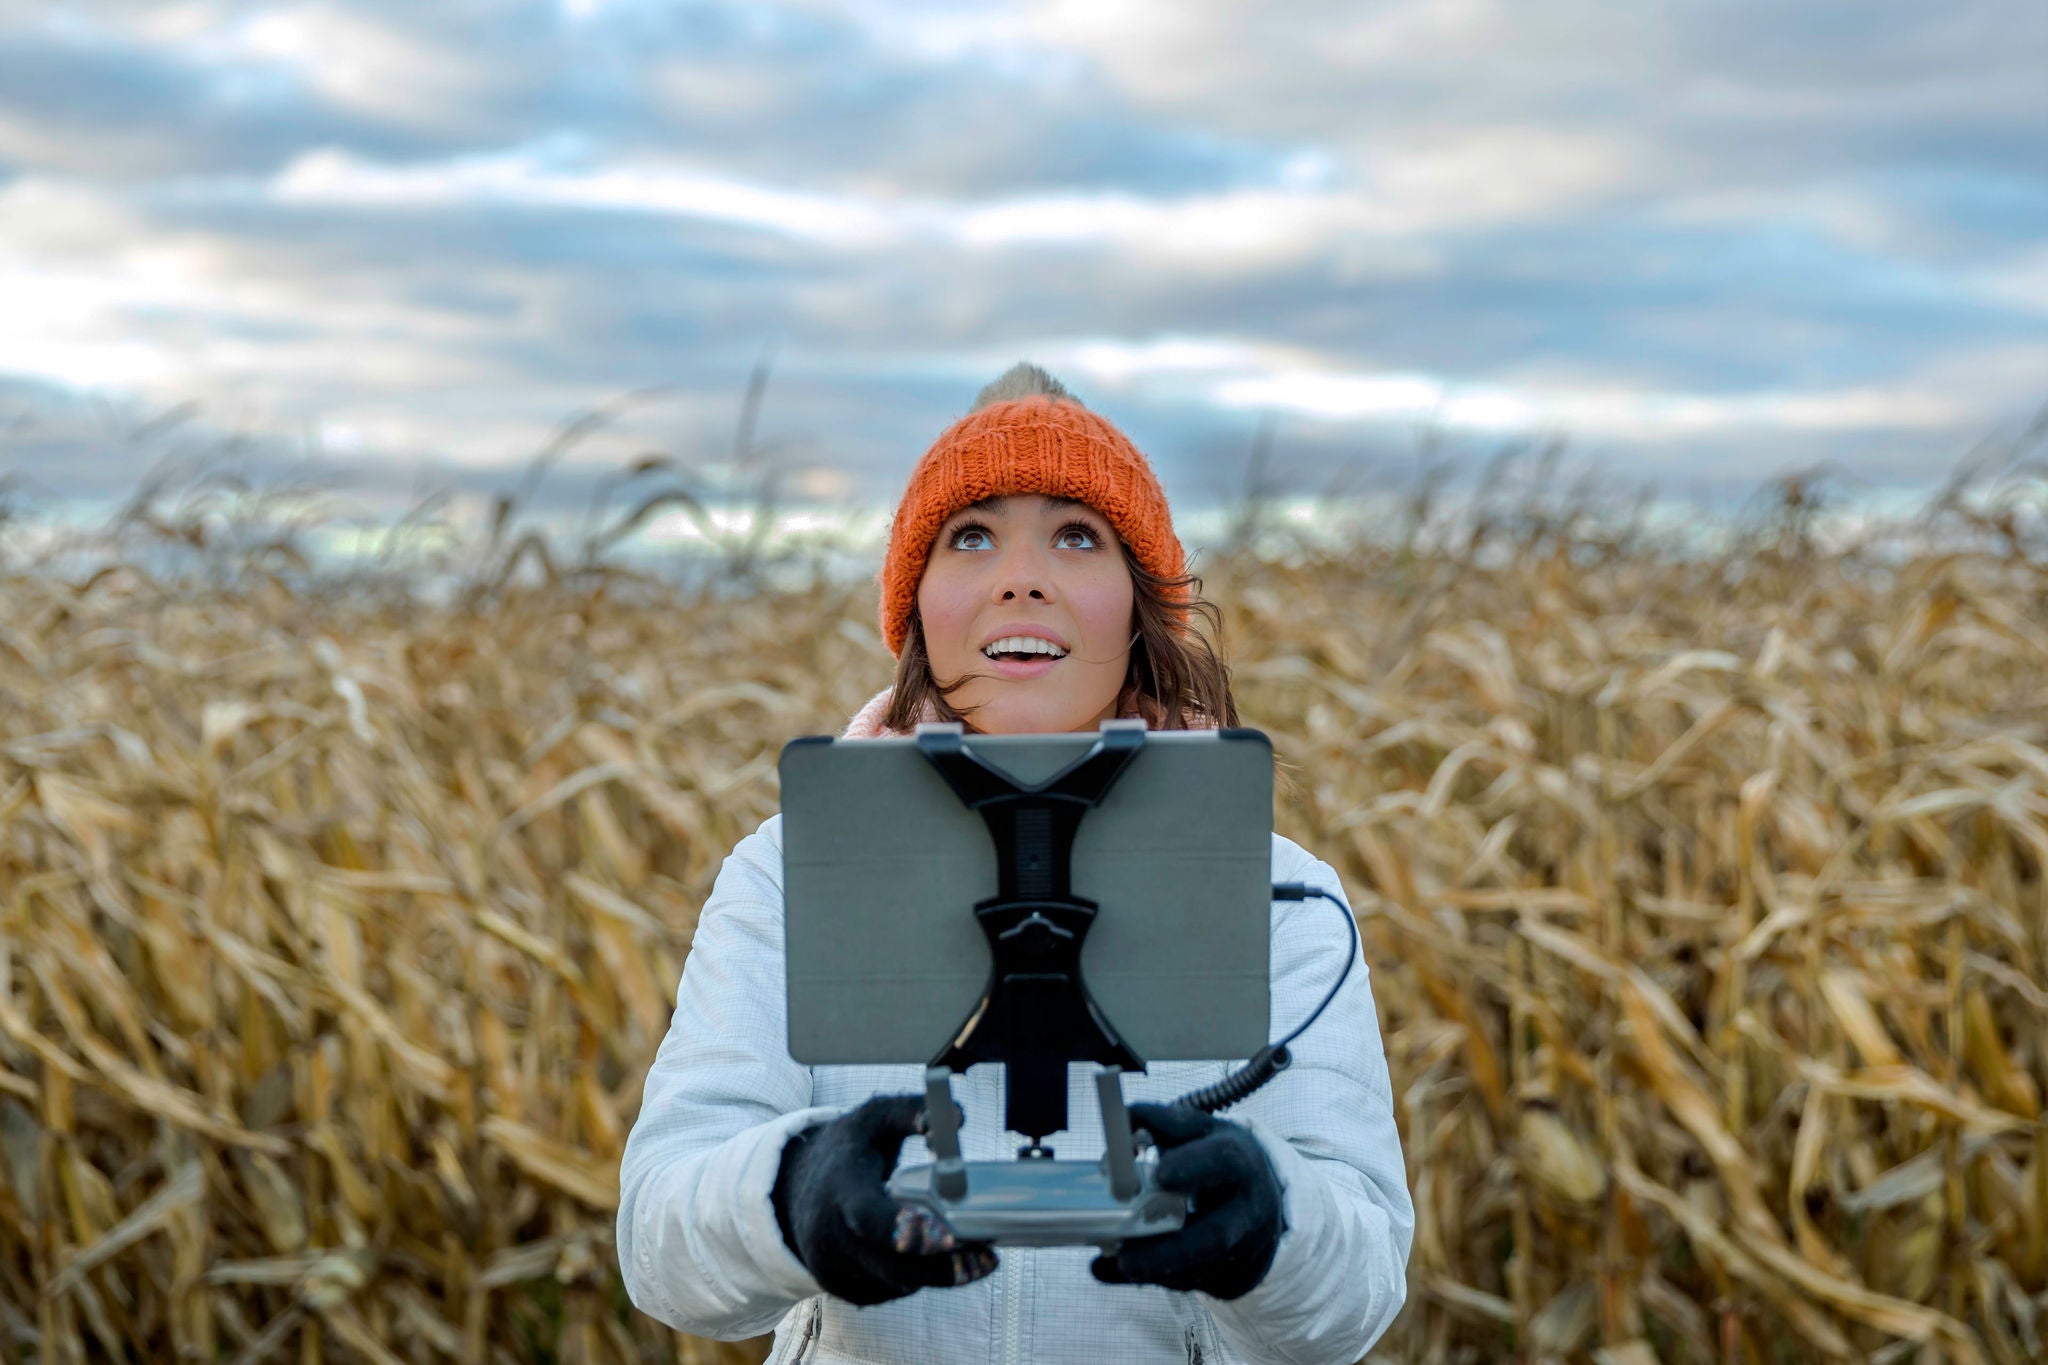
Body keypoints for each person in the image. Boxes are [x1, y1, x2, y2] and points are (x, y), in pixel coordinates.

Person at [617, 364, 1413, 1363]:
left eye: (1075, 535)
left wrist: (1271, 1229)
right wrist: (792, 1191)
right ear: (915, 613)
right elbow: (658, 1245)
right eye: (971, 535)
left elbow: (1357, 1294)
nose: (1019, 577)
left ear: (1141, 610)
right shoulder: (787, 873)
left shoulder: (1280, 899)